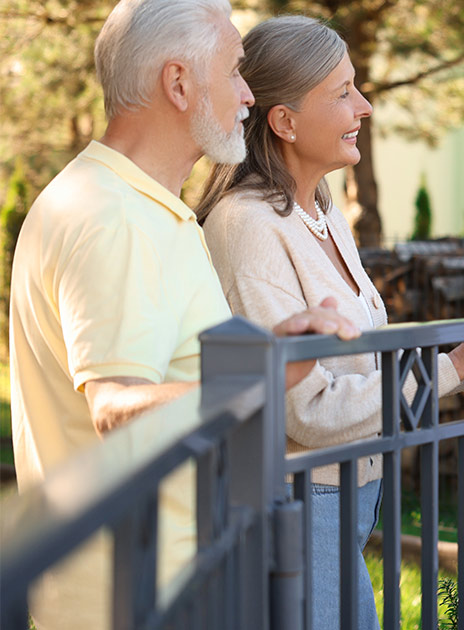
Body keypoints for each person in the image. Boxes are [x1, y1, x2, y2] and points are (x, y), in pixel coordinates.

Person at [194, 16, 464, 629]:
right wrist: (454, 363)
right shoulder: (248, 227)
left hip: (344, 499)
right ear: (283, 121)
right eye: (342, 93)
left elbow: (361, 354)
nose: (362, 107)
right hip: (296, 504)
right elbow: (304, 409)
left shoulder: (320, 211)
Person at [7, 2, 362, 629]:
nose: (248, 95)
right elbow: (115, 406)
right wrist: (254, 378)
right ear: (179, 84)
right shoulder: (112, 217)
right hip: (141, 597)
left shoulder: (142, 206)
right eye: (234, 72)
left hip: (172, 582)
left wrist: (266, 351)